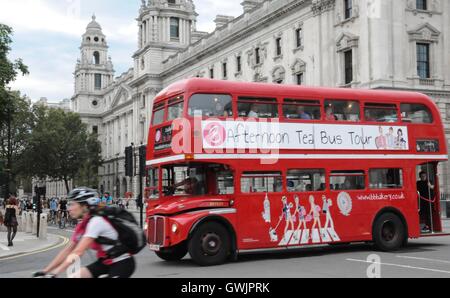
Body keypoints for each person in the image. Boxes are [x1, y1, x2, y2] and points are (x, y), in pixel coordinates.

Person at [33, 187, 136, 278]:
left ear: (85, 206)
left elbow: (78, 252)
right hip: (105, 262)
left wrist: (56, 272)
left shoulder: (96, 221)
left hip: (122, 263)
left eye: (72, 204)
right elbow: (68, 250)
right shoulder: (82, 225)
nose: (69, 209)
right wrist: (46, 270)